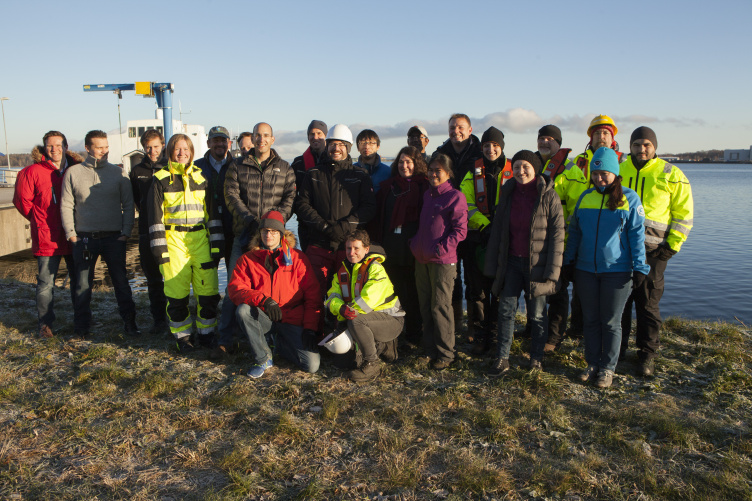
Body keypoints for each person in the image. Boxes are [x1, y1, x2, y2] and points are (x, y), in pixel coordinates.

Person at [562, 147, 651, 388]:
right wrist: (568, 262)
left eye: (605, 173)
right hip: (585, 270)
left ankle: (608, 368)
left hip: (617, 271)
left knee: (611, 321)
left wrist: (640, 268)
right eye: (596, 172)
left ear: (615, 173)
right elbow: (575, 234)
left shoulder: (629, 198)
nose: (599, 178)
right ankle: (592, 363)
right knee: (590, 319)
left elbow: (636, 236)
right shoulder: (585, 197)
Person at [217, 122, 296, 358]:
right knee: (234, 287)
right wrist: (251, 220)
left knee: (277, 287)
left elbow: (290, 198)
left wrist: (273, 222)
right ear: (252, 139)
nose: (261, 139)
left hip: (274, 239)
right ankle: (224, 339)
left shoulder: (285, 168)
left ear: (272, 139)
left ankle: (275, 333)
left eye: (265, 136)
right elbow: (230, 195)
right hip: (245, 235)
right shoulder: (237, 166)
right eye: (257, 135)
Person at [619, 126, 693, 376]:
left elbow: (683, 215)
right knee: (620, 303)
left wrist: (671, 247)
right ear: (630, 146)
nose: (642, 149)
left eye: (647, 144)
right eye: (637, 144)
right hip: (620, 251)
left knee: (648, 304)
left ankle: (646, 355)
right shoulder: (617, 169)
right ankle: (617, 352)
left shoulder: (672, 174)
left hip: (654, 253)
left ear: (655, 147)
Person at [484, 150, 564, 374]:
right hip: (511, 263)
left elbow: (558, 235)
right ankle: (502, 357)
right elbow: (499, 230)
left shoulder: (548, 195)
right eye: (517, 167)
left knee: (537, 314)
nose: (520, 171)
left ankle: (536, 359)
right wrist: (493, 264)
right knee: (505, 310)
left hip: (537, 265)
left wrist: (552, 271)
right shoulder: (508, 192)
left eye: (525, 167)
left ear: (535, 169)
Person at [147, 134, 223, 351]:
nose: (182, 154)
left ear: (192, 151)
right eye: (177, 149)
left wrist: (216, 246)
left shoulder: (201, 178)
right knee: (177, 296)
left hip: (200, 241)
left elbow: (213, 216)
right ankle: (183, 337)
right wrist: (160, 250)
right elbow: (154, 220)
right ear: (170, 151)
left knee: (208, 293)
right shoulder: (160, 179)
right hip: (174, 243)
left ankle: (207, 335)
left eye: (186, 149)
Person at [60, 130, 139, 338]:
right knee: (82, 284)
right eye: (99, 147)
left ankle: (130, 323)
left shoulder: (118, 173)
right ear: (87, 148)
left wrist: (125, 232)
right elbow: (66, 205)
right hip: (84, 238)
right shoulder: (73, 173)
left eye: (106, 146)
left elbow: (129, 205)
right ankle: (81, 327)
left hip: (114, 237)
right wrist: (71, 234)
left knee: (121, 282)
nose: (104, 151)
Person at [228, 211, 321, 378]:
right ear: (260, 233)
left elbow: (313, 296)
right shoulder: (247, 259)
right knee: (243, 310)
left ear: (281, 233)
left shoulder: (298, 258)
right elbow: (235, 289)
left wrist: (310, 328)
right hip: (265, 316)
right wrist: (263, 300)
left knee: (312, 365)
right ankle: (263, 358)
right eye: (264, 231)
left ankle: (278, 343)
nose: (268, 235)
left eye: (273, 231)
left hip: (292, 318)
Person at [294, 124, 377, 301]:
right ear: (327, 145)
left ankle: (341, 327)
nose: (336, 148)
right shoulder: (313, 174)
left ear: (348, 147)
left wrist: (344, 227)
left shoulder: (360, 175)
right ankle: (314, 329)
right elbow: (302, 205)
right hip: (318, 244)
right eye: (332, 144)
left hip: (347, 247)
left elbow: (368, 207)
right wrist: (324, 226)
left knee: (347, 294)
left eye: (341, 144)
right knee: (313, 293)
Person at [13, 131, 82, 338]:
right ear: (44, 148)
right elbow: (22, 201)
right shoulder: (31, 172)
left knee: (79, 280)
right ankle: (45, 324)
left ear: (66, 146)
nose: (55, 149)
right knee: (45, 283)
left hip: (73, 234)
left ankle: (81, 320)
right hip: (47, 236)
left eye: (59, 145)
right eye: (50, 146)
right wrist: (39, 219)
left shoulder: (77, 169)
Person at [410, 153, 468, 370]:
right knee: (425, 306)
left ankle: (446, 353)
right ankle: (429, 349)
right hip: (422, 258)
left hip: (443, 261)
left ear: (448, 173)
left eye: (438, 170)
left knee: (440, 307)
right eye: (431, 169)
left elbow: (460, 231)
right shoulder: (428, 195)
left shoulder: (455, 197)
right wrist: (415, 244)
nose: (433, 174)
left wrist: (441, 248)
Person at [534, 125, 588, 352]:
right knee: (536, 288)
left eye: (550, 139)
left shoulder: (571, 171)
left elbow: (578, 211)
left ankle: (554, 337)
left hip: (560, 241)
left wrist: (569, 242)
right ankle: (533, 328)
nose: (545, 142)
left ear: (558, 142)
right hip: (537, 241)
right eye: (541, 138)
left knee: (557, 289)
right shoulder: (534, 165)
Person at [458, 126, 511, 355]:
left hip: (503, 240)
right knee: (477, 290)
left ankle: (497, 335)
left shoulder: (512, 171)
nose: (491, 149)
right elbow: (466, 203)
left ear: (501, 147)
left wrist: (497, 228)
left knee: (498, 290)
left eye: (495, 145)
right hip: (477, 238)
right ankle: (480, 335)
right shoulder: (472, 172)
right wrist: (485, 225)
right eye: (487, 145)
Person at [325, 230, 405, 381]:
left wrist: (347, 312)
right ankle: (379, 347)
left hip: (391, 321)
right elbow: (331, 297)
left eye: (356, 248)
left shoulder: (375, 268)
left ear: (366, 249)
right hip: (361, 319)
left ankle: (372, 364)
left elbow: (368, 301)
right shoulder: (343, 270)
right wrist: (341, 308)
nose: (352, 252)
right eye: (349, 248)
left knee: (356, 320)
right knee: (342, 362)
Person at [371, 146, 429, 346]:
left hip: (413, 248)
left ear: (417, 164)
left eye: (409, 162)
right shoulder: (389, 187)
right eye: (402, 162)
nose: (405, 166)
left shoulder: (424, 187)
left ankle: (414, 333)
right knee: (393, 291)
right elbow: (380, 216)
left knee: (413, 292)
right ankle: (393, 335)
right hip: (391, 247)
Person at [434, 113, 483, 336]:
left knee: (476, 282)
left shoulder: (481, 153)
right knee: (452, 281)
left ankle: (475, 330)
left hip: (474, 226)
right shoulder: (441, 154)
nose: (456, 131)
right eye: (452, 127)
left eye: (461, 127)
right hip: (448, 227)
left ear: (470, 130)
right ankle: (453, 326)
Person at [129, 129, 168, 335]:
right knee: (153, 279)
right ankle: (159, 319)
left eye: (156, 146)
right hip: (146, 230)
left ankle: (176, 316)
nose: (152, 151)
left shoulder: (170, 166)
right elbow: (136, 200)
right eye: (148, 148)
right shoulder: (137, 171)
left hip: (169, 230)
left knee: (172, 278)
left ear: (162, 144)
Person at [194, 126, 236, 268]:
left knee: (234, 274)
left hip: (232, 228)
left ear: (229, 144)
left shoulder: (238, 165)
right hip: (206, 231)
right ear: (208, 144)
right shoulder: (196, 167)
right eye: (215, 140)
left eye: (223, 140)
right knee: (207, 274)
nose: (219, 144)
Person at [291, 120, 328, 250]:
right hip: (306, 224)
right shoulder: (298, 163)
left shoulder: (332, 161)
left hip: (329, 223)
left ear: (326, 136)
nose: (315, 137)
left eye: (319, 133)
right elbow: (291, 192)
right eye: (312, 134)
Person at [573, 114, 626, 180]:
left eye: (605, 133)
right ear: (591, 138)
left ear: (612, 138)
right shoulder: (579, 160)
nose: (601, 137)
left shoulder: (622, 161)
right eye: (597, 133)